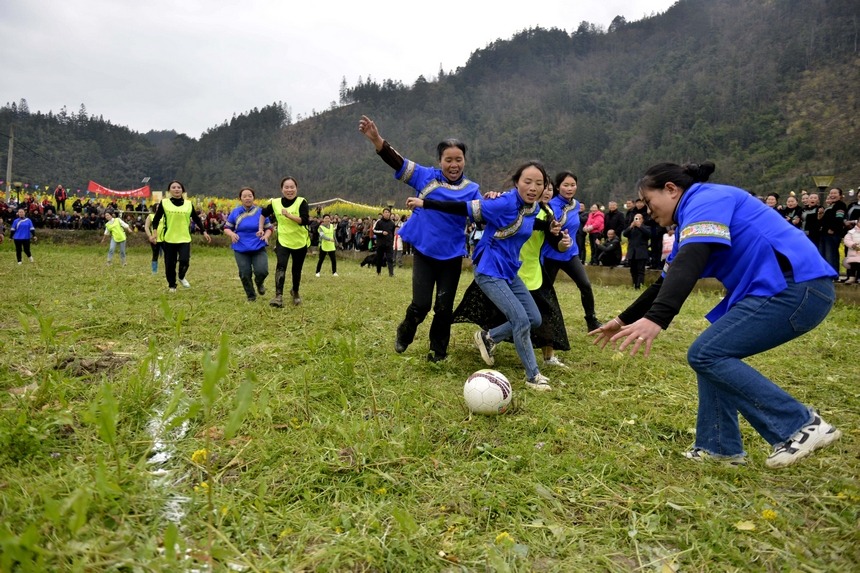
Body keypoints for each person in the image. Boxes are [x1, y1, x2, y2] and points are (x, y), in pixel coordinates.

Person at [590, 161, 841, 470]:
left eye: (649, 201)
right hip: (782, 290)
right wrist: (621, 320)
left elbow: (691, 261)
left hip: (797, 288)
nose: (647, 209)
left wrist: (657, 319)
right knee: (711, 352)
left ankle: (800, 426)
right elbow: (666, 281)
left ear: (671, 189)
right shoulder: (690, 220)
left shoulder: (707, 199)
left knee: (706, 353)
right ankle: (719, 447)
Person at [408, 161, 560, 390]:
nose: (533, 187)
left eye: (539, 183)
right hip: (489, 270)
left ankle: (488, 337)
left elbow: (536, 225)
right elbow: (463, 207)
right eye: (527, 182)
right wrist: (425, 203)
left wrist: (553, 231)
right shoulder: (504, 202)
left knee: (534, 319)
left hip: (509, 271)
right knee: (520, 320)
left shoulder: (534, 209)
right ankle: (533, 376)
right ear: (517, 182)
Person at [359, 115, 482, 362]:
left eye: (459, 159)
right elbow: (398, 162)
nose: (454, 164)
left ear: (465, 161)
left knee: (444, 308)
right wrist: (376, 139)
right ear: (440, 161)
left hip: (452, 255)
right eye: (449, 160)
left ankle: (438, 352)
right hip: (426, 252)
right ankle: (406, 330)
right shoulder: (426, 176)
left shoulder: (472, 189)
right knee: (421, 305)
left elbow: (481, 216)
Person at [453, 182, 572, 369]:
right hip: (502, 268)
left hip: (531, 271)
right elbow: (486, 216)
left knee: (543, 315)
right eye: (540, 186)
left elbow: (556, 242)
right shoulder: (514, 205)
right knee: (505, 314)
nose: (544, 191)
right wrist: (492, 197)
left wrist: (566, 243)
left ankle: (547, 357)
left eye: (548, 188)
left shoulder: (549, 214)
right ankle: (493, 341)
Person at [541, 171, 603, 331]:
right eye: (565, 185)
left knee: (585, 286)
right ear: (557, 187)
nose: (570, 188)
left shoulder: (575, 205)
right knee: (545, 291)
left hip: (570, 254)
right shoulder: (550, 205)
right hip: (551, 255)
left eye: (573, 185)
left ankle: (591, 320)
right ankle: (541, 324)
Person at [149, 181, 211, 293]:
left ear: (182, 190)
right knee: (170, 264)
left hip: (184, 238)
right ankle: (172, 285)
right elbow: (156, 219)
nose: (176, 189)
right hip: (169, 238)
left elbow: (196, 219)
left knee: (184, 260)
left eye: (179, 187)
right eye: (173, 187)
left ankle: (181, 277)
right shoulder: (164, 203)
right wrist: (154, 233)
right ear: (169, 190)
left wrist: (204, 231)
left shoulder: (188, 204)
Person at [261, 176, 309, 307]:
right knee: (281, 265)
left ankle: (295, 292)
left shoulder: (301, 202)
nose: (289, 190)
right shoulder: (275, 203)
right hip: (283, 241)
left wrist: (289, 215)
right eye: (286, 187)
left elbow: (305, 220)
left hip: (300, 241)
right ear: (282, 189)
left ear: (296, 189)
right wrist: (261, 228)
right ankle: (278, 296)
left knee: (296, 269)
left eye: (292, 187)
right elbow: (263, 213)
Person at [223, 187, 272, 301]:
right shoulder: (235, 212)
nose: (247, 198)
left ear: (253, 197)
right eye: (244, 196)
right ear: (240, 198)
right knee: (245, 273)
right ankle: (251, 296)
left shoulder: (260, 212)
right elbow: (226, 228)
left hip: (258, 246)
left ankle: (259, 283)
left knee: (262, 271)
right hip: (240, 247)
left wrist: (266, 235)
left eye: (250, 196)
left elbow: (269, 228)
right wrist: (231, 234)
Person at [818, 187, 847, 274]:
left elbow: (839, 218)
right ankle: (824, 273)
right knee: (822, 254)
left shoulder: (840, 205)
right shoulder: (829, 206)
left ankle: (833, 274)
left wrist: (833, 229)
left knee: (831, 255)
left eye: (835, 193)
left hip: (832, 233)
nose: (832, 195)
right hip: (824, 233)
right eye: (831, 193)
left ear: (840, 195)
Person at [623, 213, 650, 289]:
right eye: (635, 218)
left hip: (641, 252)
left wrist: (640, 226)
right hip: (632, 252)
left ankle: (639, 286)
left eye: (639, 218)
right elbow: (625, 234)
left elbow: (649, 234)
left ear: (642, 220)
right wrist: (630, 227)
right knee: (633, 270)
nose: (637, 220)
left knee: (640, 271)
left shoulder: (646, 227)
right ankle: (635, 284)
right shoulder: (631, 228)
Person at [373, 207, 396, 277]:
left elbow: (393, 232)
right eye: (386, 212)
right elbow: (374, 230)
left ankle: (391, 273)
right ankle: (378, 272)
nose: (387, 214)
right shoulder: (379, 222)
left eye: (388, 212)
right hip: (381, 244)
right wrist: (382, 232)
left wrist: (391, 240)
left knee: (390, 258)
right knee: (379, 258)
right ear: (383, 213)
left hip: (389, 244)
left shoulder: (392, 223)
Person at [144, 203, 163, 274]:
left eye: (160, 207)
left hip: (165, 239)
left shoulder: (165, 216)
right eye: (157, 207)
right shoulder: (151, 216)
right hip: (155, 239)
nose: (158, 209)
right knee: (155, 254)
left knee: (168, 255)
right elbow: (146, 227)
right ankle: (154, 271)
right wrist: (150, 236)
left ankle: (169, 270)